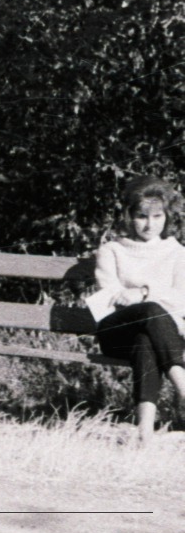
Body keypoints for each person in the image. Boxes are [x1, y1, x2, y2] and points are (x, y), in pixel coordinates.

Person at [87, 175, 185, 444]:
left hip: (160, 336)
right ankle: (183, 386)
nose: (149, 224)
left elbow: (183, 299)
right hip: (116, 332)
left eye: (156, 216)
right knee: (151, 310)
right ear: (129, 216)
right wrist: (150, 297)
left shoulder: (177, 252)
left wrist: (141, 292)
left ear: (166, 217)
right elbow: (110, 295)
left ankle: (144, 430)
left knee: (146, 338)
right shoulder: (112, 250)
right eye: (141, 216)